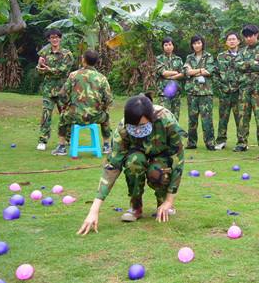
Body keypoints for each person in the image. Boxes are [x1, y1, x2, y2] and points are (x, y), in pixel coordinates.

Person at [77, 94, 185, 235]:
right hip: (137, 154)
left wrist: (169, 200)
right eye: (133, 126)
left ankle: (163, 203)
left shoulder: (167, 121)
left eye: (141, 125)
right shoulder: (123, 129)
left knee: (157, 170)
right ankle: (135, 207)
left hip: (161, 156)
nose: (137, 130)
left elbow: (178, 159)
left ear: (150, 117)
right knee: (134, 162)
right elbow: (112, 166)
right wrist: (94, 210)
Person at [51, 50, 113, 156]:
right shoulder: (102, 78)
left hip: (74, 115)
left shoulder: (73, 75)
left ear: (83, 60)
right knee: (106, 116)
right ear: (96, 62)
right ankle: (107, 145)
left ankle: (61, 146)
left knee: (63, 116)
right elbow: (108, 99)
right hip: (95, 116)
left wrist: (67, 104)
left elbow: (62, 94)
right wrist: (102, 108)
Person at [234, 24, 259, 154]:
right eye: (246, 36)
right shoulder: (242, 51)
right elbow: (237, 65)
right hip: (244, 88)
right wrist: (253, 64)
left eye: (250, 36)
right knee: (243, 116)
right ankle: (241, 143)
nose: (248, 38)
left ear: (256, 35)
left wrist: (246, 65)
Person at [36, 29, 74, 151]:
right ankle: (43, 140)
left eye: (57, 37)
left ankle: (70, 139)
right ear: (49, 39)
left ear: (60, 38)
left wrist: (47, 69)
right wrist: (39, 66)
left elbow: (63, 71)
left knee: (65, 115)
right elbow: (39, 73)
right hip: (48, 89)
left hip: (63, 90)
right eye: (52, 38)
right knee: (46, 114)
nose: (54, 39)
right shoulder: (45, 54)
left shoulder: (67, 54)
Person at [183, 35, 216, 150]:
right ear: (192, 45)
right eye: (194, 43)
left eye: (199, 43)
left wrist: (194, 72)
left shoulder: (209, 56)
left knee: (207, 119)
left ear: (202, 44)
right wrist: (201, 70)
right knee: (192, 119)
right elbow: (187, 72)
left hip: (205, 92)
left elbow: (209, 71)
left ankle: (210, 143)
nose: (197, 45)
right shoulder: (189, 57)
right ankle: (191, 143)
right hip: (192, 92)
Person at [215, 31, 241, 150]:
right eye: (229, 39)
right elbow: (215, 74)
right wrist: (221, 87)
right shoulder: (220, 56)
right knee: (223, 118)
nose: (231, 41)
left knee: (240, 118)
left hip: (239, 93)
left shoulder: (244, 55)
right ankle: (221, 141)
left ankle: (241, 142)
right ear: (226, 42)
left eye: (233, 39)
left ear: (238, 41)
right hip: (225, 93)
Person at [155, 37, 184, 120]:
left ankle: (175, 133)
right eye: (166, 45)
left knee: (175, 117)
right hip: (164, 93)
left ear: (173, 46)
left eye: (170, 44)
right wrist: (175, 73)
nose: (168, 46)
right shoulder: (158, 59)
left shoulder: (178, 59)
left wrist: (170, 76)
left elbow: (183, 74)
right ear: (163, 47)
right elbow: (163, 73)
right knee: (164, 117)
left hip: (176, 92)